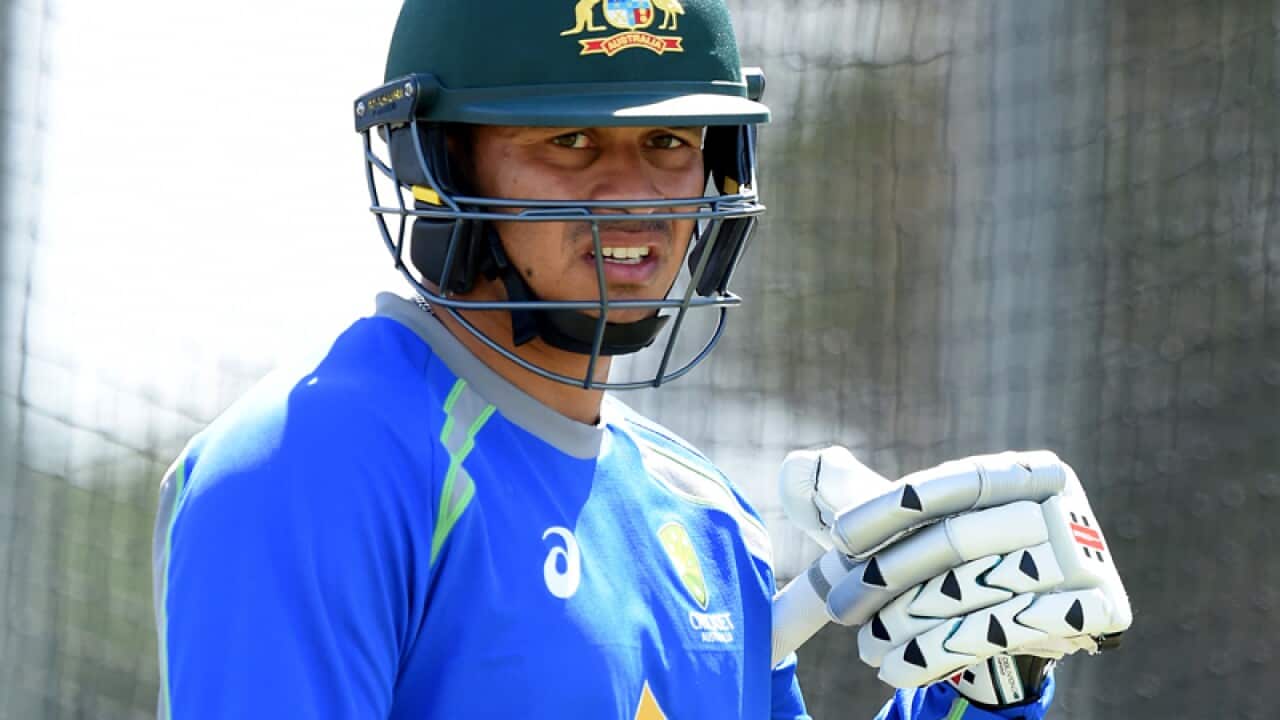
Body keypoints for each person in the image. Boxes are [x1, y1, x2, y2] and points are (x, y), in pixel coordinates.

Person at [151, 0, 1126, 717]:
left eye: (666, 140)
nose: (634, 196)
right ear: (437, 163)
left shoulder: (708, 518)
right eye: (570, 141)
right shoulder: (308, 466)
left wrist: (980, 691)